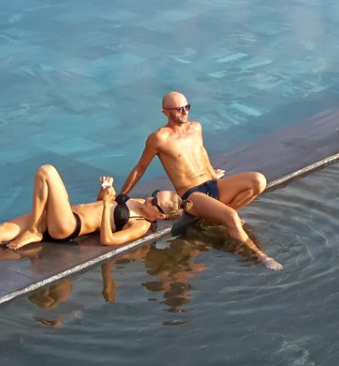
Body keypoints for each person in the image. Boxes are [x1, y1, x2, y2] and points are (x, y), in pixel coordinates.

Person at [119, 91, 280, 269]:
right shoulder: (159, 138)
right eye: (179, 109)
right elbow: (140, 169)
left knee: (258, 181)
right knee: (232, 216)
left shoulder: (196, 127)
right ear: (166, 112)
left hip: (212, 184)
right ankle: (261, 256)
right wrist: (121, 196)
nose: (185, 112)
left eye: (187, 107)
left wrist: (212, 174)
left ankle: (220, 217)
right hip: (192, 195)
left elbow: (201, 152)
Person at [0, 166, 181, 261]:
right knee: (2, 231)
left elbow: (107, 240)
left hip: (70, 227)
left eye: (154, 200)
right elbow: (104, 205)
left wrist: (107, 204)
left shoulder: (141, 226)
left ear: (158, 216)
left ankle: (33, 231)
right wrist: (105, 192)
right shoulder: (136, 202)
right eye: (154, 193)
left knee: (47, 171)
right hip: (63, 215)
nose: (149, 197)